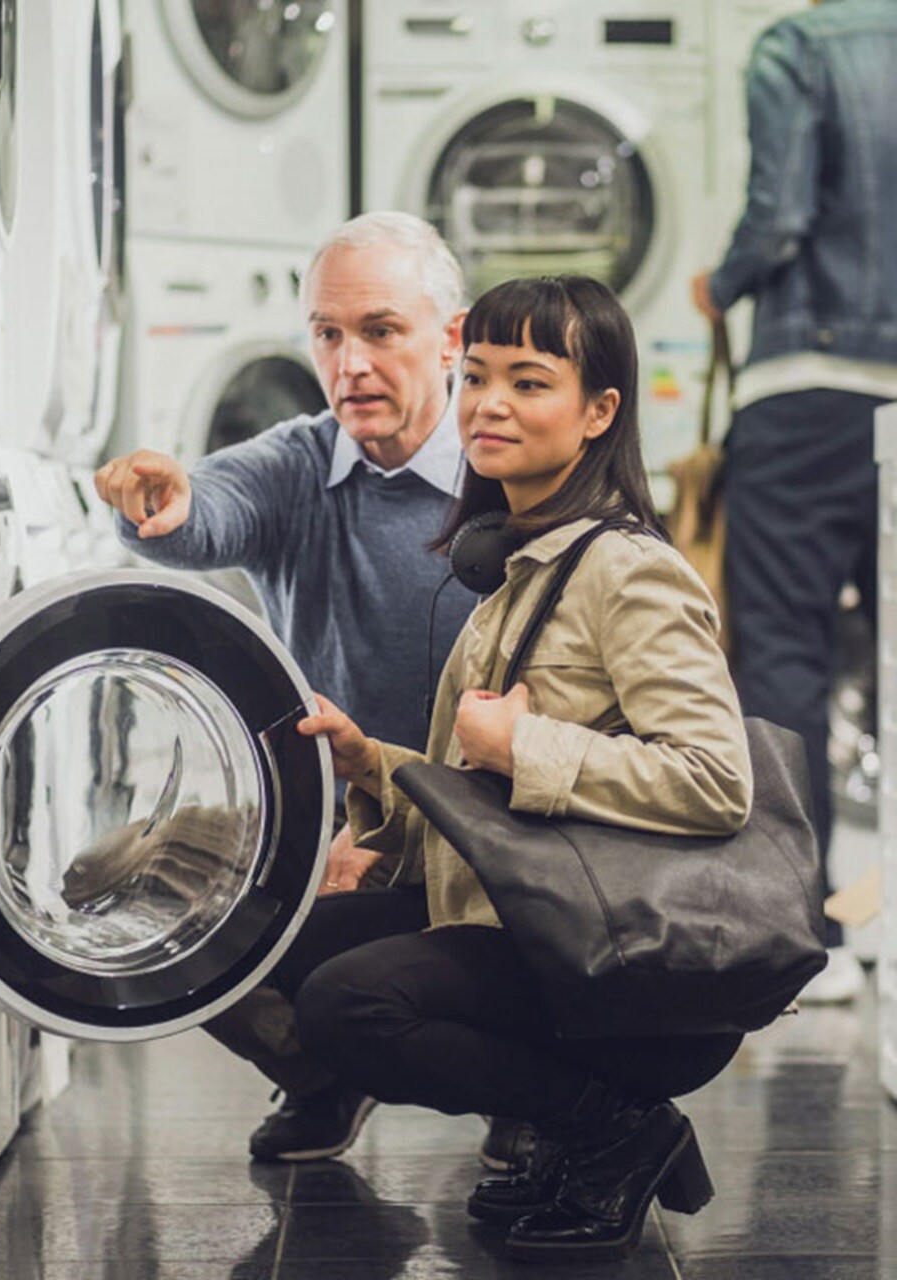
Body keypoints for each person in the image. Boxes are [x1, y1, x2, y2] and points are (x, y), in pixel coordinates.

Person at [283, 275, 752, 1264]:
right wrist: (371, 765)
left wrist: (520, 746)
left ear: (598, 412)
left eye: (528, 382)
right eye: (476, 376)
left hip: (618, 954)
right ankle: (569, 1129)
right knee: (287, 941)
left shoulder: (626, 571)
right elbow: (480, 800)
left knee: (347, 1002)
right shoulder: (518, 572)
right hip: (528, 919)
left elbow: (715, 779)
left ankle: (606, 1127)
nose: (488, 404)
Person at [96, 212, 538, 1169]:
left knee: (548, 894)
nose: (351, 364)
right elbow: (208, 510)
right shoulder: (301, 463)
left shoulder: (511, 470)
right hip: (328, 824)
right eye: (328, 334)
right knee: (122, 885)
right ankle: (321, 1070)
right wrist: (159, 501)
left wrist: (394, 824)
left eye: (380, 331)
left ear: (452, 339)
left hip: (493, 822)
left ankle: (527, 1091)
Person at [692, 0, 897, 1003]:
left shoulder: (800, 45)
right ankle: (888, 920)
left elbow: (778, 219)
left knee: (783, 651)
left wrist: (720, 283)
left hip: (811, 387)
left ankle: (806, 929)